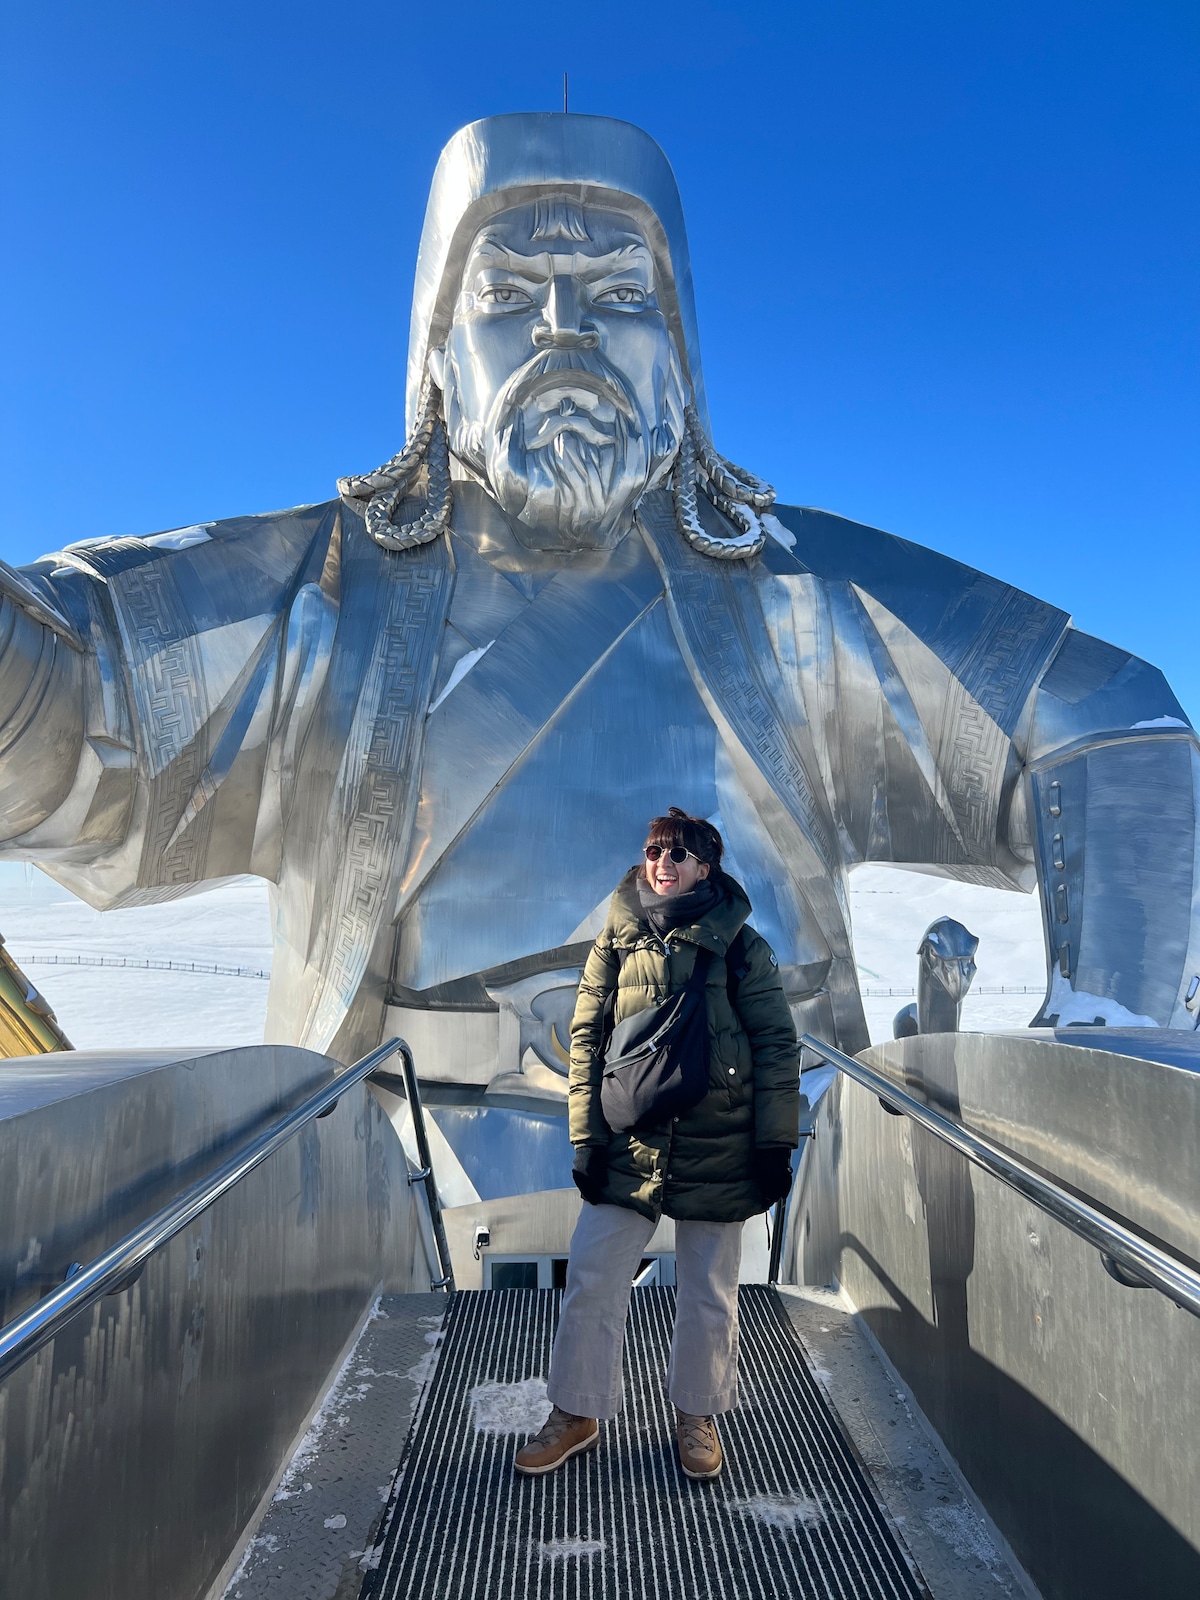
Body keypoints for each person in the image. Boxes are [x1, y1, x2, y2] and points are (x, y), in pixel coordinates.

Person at [514, 808, 799, 1481]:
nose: (661, 864)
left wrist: (773, 1145)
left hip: (718, 1142)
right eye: (653, 851)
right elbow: (584, 1041)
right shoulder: (615, 941)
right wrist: (586, 1140)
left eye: (678, 854)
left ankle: (696, 1416)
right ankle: (576, 1412)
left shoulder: (742, 947)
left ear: (706, 866)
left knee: (708, 1289)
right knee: (592, 1276)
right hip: (630, 1141)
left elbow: (776, 1046)